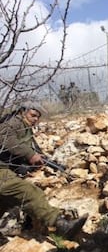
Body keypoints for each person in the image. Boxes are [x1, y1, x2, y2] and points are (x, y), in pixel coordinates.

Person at [0, 102, 88, 239]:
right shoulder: (13, 122)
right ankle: (60, 225)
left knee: (8, 203)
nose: (35, 119)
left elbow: (33, 151)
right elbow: (6, 140)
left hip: (6, 170)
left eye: (38, 117)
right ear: (22, 112)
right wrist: (30, 155)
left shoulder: (26, 129)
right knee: (28, 192)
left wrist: (40, 160)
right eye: (33, 115)